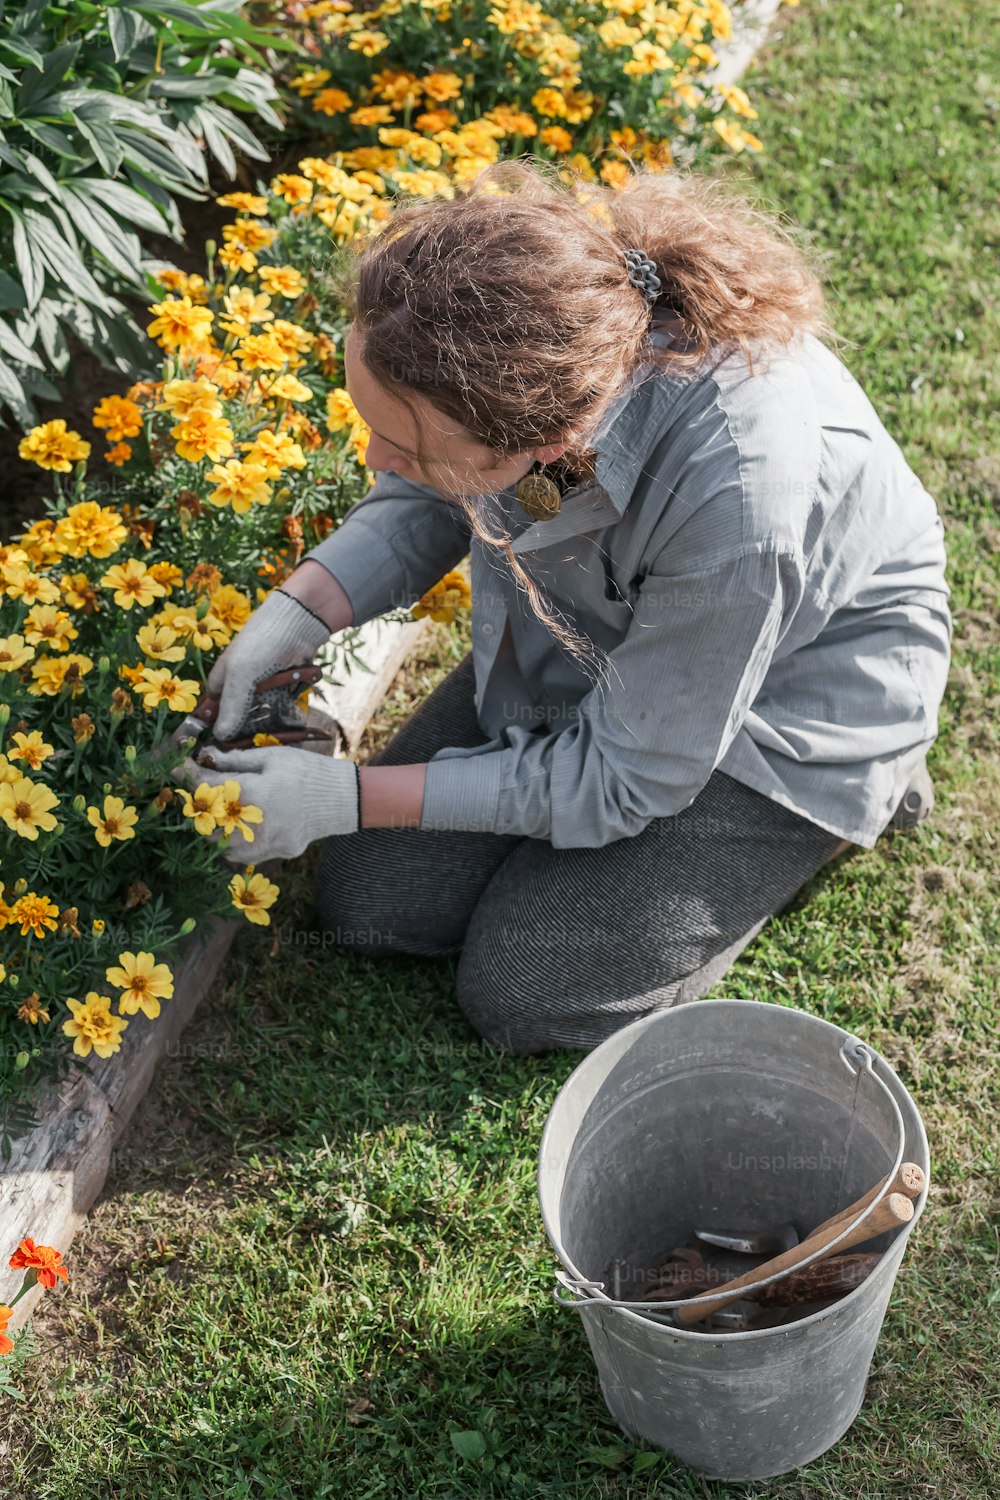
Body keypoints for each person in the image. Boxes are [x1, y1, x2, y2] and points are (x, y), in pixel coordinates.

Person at [192, 160, 952, 1055]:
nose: (375, 458)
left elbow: (627, 778)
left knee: (528, 987)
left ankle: (845, 802)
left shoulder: (741, 500)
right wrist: (295, 614)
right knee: (373, 897)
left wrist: (346, 794)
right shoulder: (541, 361)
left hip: (791, 700)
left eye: (400, 442)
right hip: (616, 632)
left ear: (545, 442)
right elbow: (435, 492)